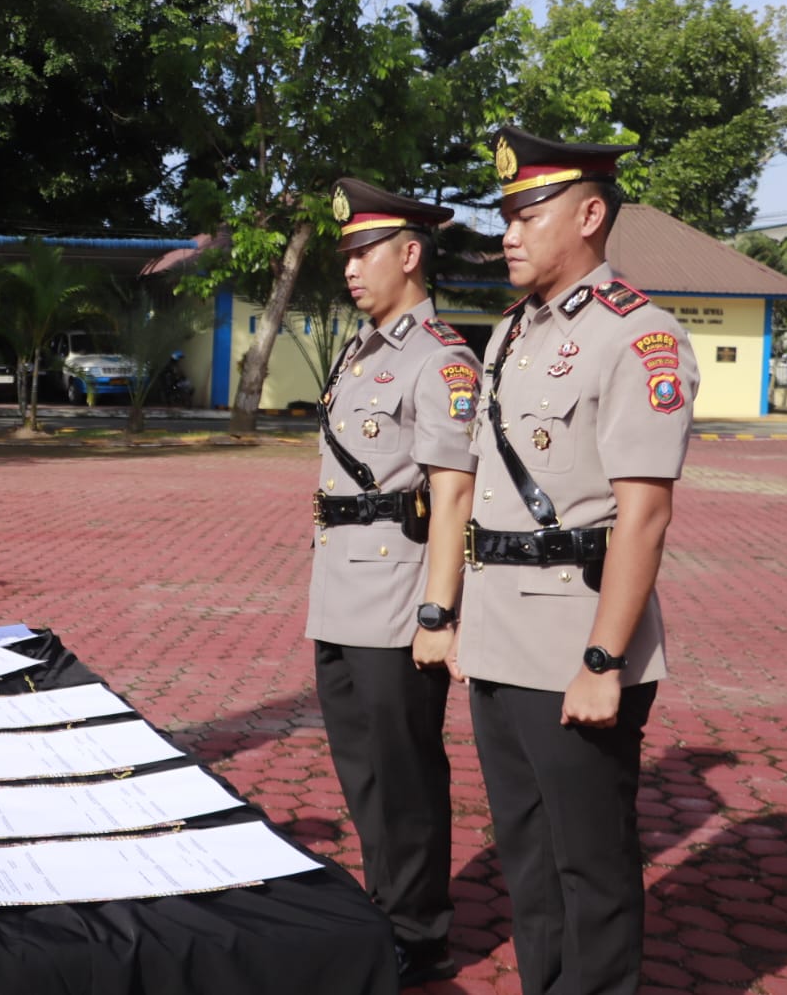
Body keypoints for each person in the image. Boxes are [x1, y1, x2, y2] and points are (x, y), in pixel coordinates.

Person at [454, 126, 699, 995]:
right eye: (505, 216)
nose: (508, 233)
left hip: (574, 641)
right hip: (498, 637)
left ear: (590, 214)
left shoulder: (640, 336)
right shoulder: (510, 333)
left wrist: (602, 661)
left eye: (528, 213)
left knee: (589, 865)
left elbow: (644, 517)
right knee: (526, 855)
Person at [308, 178, 478, 988]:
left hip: (399, 591)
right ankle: (387, 905)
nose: (351, 267)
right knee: (363, 767)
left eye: (364, 251)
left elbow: (453, 494)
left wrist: (439, 611)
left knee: (404, 769)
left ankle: (418, 930)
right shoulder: (363, 348)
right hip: (341, 589)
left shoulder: (440, 356)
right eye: (346, 254)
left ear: (410, 255)